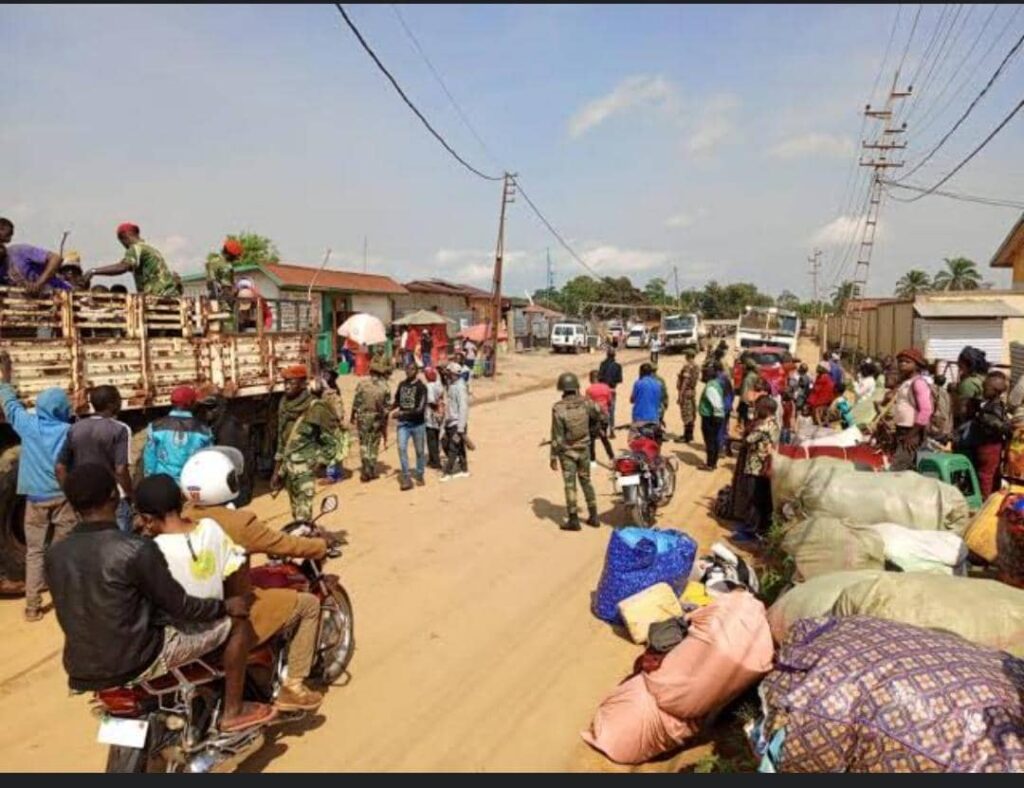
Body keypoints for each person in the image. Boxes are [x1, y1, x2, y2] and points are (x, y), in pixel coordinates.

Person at [45, 464, 270, 730]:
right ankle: (233, 711)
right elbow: (183, 607)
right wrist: (226, 606)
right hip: (140, 658)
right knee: (237, 625)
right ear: (114, 497)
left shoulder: (54, 554)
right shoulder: (136, 549)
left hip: (80, 667)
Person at [180, 449, 327, 711]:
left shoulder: (180, 516)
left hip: (189, 608)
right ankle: (293, 686)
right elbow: (284, 544)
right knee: (308, 605)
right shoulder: (238, 523)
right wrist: (319, 546)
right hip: (231, 608)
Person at [134, 474, 277, 731]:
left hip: (168, 635)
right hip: (207, 627)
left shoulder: (149, 550)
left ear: (145, 518)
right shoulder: (211, 529)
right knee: (240, 625)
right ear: (181, 503)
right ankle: (233, 710)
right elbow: (237, 563)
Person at [0, 353, 75, 621]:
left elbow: (9, 404)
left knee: (34, 552)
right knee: (62, 551)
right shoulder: (70, 431)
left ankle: (32, 607)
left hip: (35, 498)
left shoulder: (28, 426)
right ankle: (64, 599)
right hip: (63, 498)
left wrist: (6, 375)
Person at [55, 384, 134, 532]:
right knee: (120, 548)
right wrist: (130, 495)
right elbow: (121, 469)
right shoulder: (121, 429)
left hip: (85, 498)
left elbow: (60, 468)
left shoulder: (75, 428)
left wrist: (71, 494)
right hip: (112, 499)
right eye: (119, 400)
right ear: (112, 405)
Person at [272, 365, 339, 518]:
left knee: (303, 515)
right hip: (288, 469)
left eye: (292, 383)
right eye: (285, 383)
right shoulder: (284, 404)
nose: (287, 386)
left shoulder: (316, 407)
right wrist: (277, 471)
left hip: (306, 471)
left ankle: (304, 538)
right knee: (295, 512)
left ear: (303, 384)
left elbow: (332, 440)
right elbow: (281, 441)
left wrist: (320, 463)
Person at [550, 372, 600, 531]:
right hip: (584, 449)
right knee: (586, 481)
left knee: (570, 485)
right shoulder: (587, 403)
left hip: (567, 452)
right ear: (576, 387)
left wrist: (553, 456)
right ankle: (594, 516)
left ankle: (573, 520)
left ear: (562, 389)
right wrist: (593, 429)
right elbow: (599, 413)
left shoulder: (558, 408)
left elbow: (557, 435)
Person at [85, 223, 182, 297]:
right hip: (170, 296)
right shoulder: (150, 249)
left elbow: (123, 267)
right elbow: (126, 266)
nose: (123, 245)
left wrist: (93, 271)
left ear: (124, 237)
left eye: (121, 241)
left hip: (157, 296)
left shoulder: (135, 248)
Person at [733, 395, 781, 543]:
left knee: (753, 499)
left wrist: (750, 425)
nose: (756, 411)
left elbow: (747, 440)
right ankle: (759, 528)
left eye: (758, 408)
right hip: (764, 467)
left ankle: (750, 530)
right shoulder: (775, 424)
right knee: (762, 499)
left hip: (756, 467)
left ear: (765, 409)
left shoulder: (764, 427)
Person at [142, 385, 213, 483]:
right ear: (192, 403)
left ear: (172, 402)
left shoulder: (155, 426)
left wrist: (150, 480)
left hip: (163, 483)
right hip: (192, 483)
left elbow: (149, 458)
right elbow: (208, 460)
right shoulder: (204, 430)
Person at [196, 391, 254, 507]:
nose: (208, 412)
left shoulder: (228, 429)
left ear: (221, 408)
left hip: (236, 488)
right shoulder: (218, 424)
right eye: (205, 408)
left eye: (212, 408)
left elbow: (227, 463)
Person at [960, 371, 1012, 498]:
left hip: (989, 446)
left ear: (995, 391)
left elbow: (1002, 427)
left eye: (986, 388)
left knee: (985, 475)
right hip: (987, 445)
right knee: (990, 474)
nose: (983, 390)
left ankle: (985, 500)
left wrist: (985, 420)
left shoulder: (994, 408)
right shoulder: (990, 404)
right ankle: (991, 497)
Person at [890, 347, 934, 472]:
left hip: (912, 431)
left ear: (917, 365)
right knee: (905, 467)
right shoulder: (906, 382)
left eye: (907, 362)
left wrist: (912, 435)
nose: (902, 364)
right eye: (900, 361)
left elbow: (926, 410)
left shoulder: (918, 383)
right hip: (902, 429)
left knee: (897, 468)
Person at [350, 356, 392, 483]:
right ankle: (371, 470)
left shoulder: (362, 384)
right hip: (376, 418)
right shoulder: (385, 387)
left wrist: (352, 416)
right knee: (373, 443)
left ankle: (365, 469)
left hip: (362, 418)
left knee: (363, 443)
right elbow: (387, 407)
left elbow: (356, 402)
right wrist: (384, 422)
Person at [391, 364, 428, 491]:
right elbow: (397, 401)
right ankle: (406, 477)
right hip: (403, 424)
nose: (409, 371)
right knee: (401, 448)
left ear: (416, 371)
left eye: (411, 369)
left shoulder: (422, 388)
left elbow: (420, 409)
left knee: (419, 451)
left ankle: (419, 474)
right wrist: (388, 410)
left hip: (418, 424)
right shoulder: (402, 385)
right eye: (407, 368)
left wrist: (401, 413)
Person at [0, 239, 69, 293]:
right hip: (33, 304)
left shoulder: (18, 251)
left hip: (60, 295)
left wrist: (38, 284)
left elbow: (56, 259)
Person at [441, 362, 470, 480]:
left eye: (449, 373)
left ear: (454, 374)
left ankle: (448, 473)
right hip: (449, 422)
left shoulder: (460, 387)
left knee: (453, 447)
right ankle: (464, 469)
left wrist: (460, 428)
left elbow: (463, 408)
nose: (447, 375)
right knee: (449, 444)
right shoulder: (452, 385)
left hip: (457, 423)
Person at [698, 365, 726, 470]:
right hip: (715, 416)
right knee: (713, 440)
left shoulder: (710, 387)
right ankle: (713, 462)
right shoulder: (716, 384)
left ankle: (710, 464)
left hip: (710, 417)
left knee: (710, 440)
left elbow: (717, 403)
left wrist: (716, 416)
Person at [584, 370, 615, 464]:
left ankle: (592, 460)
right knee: (604, 438)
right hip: (604, 416)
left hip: (594, 417)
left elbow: (587, 404)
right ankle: (611, 457)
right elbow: (610, 402)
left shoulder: (589, 390)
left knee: (591, 439)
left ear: (591, 378)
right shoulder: (606, 388)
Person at [955, 346, 989, 429]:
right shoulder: (985, 378)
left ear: (968, 364)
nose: (958, 367)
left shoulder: (968, 383)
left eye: (960, 365)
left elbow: (962, 410)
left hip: (969, 426)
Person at [597, 346, 624, 438]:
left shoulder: (602, 364)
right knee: (611, 410)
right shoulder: (618, 366)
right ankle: (612, 430)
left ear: (607, 354)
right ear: (614, 355)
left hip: (602, 389)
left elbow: (599, 377)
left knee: (602, 409)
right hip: (612, 390)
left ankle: (603, 429)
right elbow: (619, 379)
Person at [207, 237, 242, 302]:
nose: (235, 259)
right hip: (223, 299)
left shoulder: (227, 265)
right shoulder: (220, 264)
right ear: (228, 254)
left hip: (226, 297)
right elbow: (213, 282)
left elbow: (230, 282)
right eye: (234, 257)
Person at [676, 350, 700, 443]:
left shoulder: (687, 367)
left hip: (686, 392)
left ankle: (687, 436)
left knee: (686, 414)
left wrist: (680, 395)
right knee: (691, 413)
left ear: (688, 356)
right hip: (692, 391)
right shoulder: (696, 366)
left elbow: (685, 381)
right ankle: (689, 435)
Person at [424, 367, 446, 470]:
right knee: (436, 437)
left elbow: (431, 401)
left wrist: (435, 409)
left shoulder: (429, 387)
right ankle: (432, 459)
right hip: (439, 415)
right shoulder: (439, 385)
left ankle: (435, 461)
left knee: (431, 439)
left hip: (431, 415)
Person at [737, 355, 760, 425]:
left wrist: (743, 403)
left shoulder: (748, 378)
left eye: (743, 365)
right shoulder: (754, 375)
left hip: (747, 401)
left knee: (746, 418)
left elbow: (745, 392)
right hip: (752, 400)